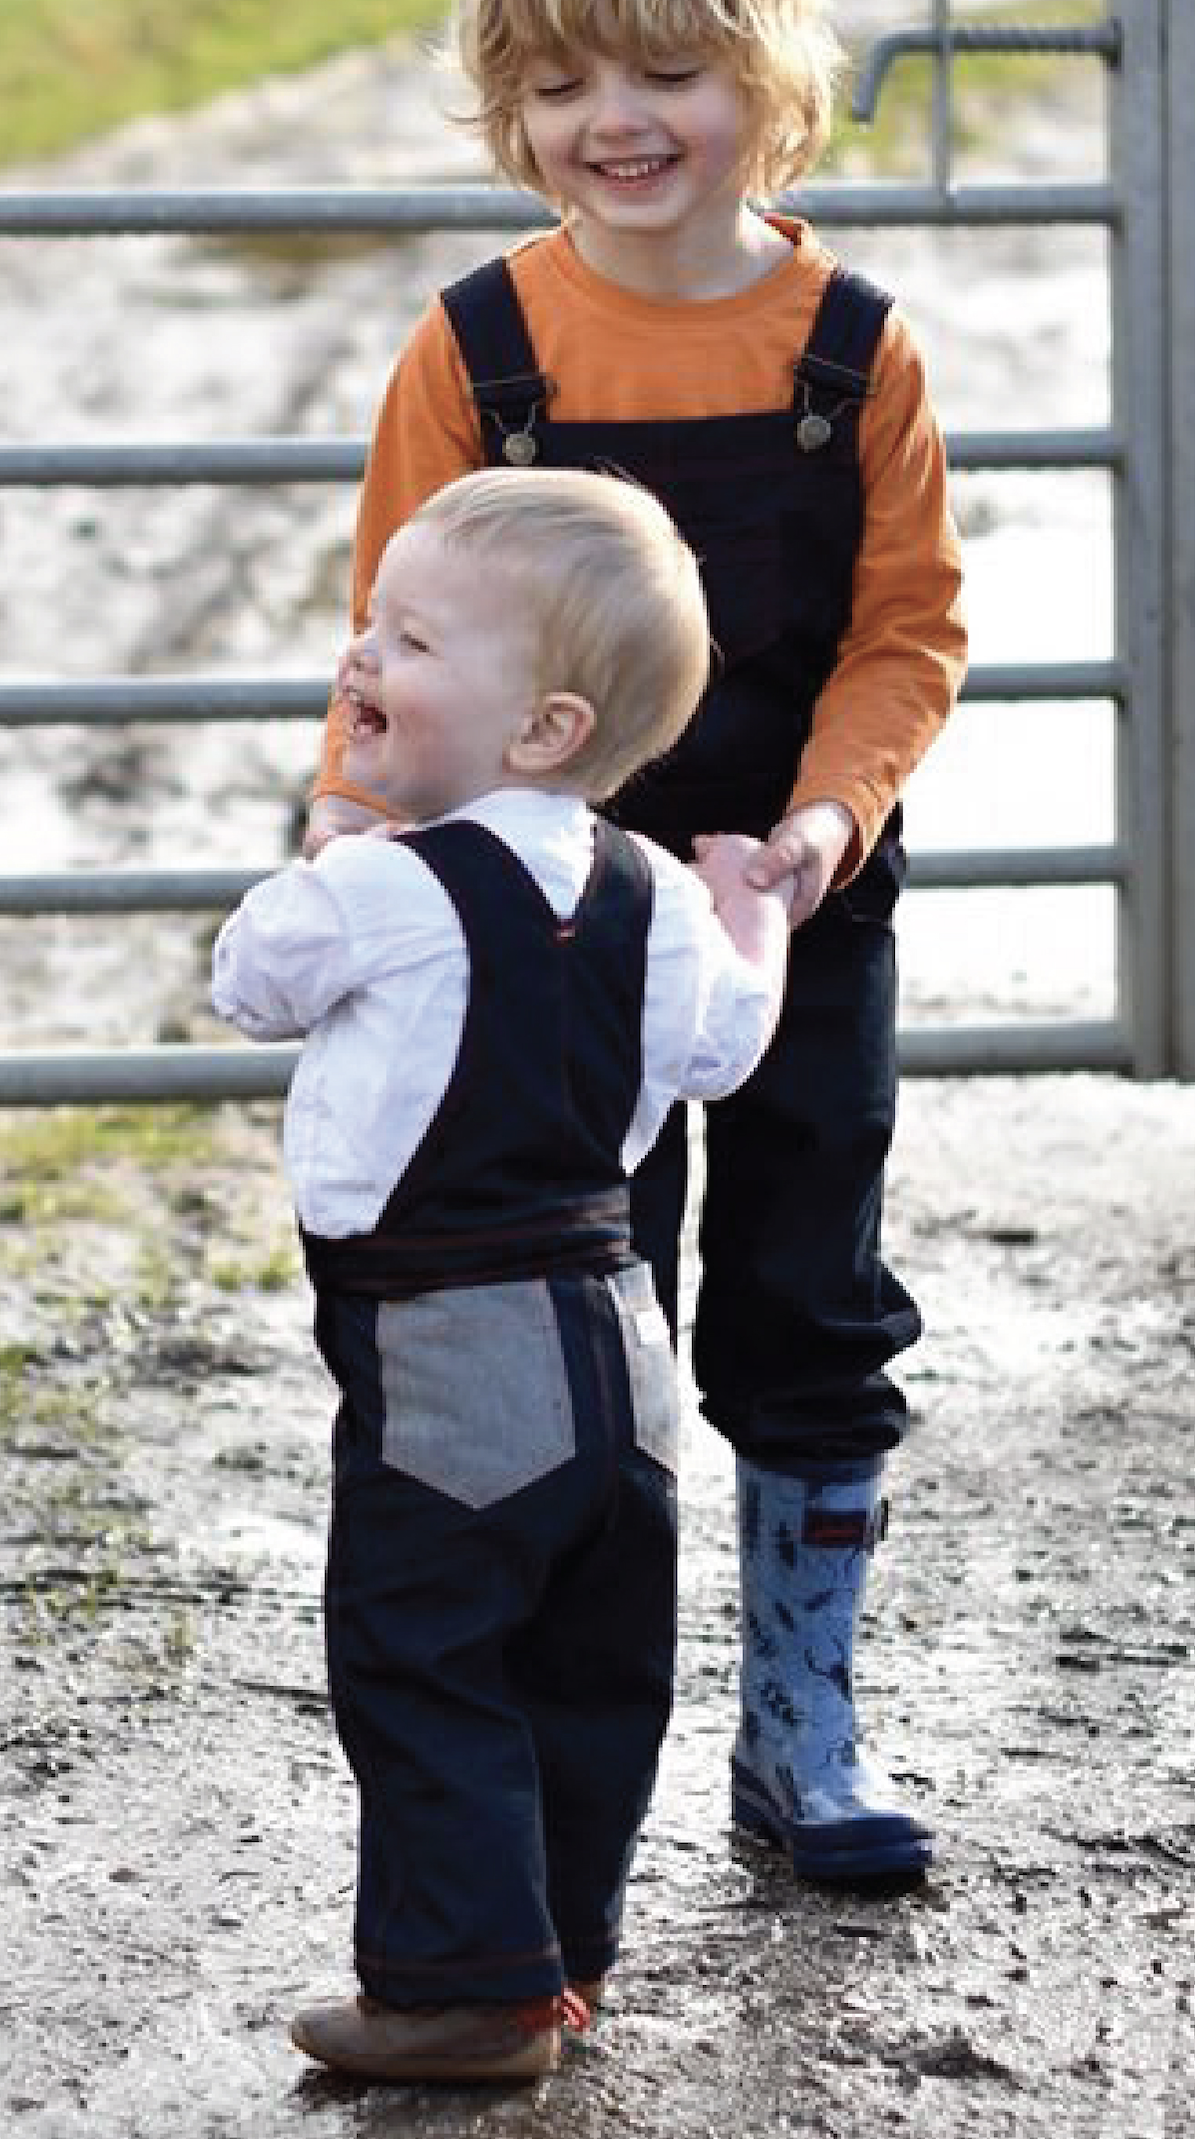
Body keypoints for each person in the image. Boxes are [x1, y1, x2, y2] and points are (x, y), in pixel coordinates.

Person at [303, 0, 968, 1888]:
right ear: (510, 103)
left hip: (789, 912)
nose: (617, 122)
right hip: (532, 940)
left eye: (665, 72)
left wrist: (816, 828)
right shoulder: (478, 355)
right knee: (556, 1314)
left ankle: (801, 1727)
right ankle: (541, 1754)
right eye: (565, 80)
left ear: (766, 81)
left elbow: (902, 630)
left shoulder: (849, 351)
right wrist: (347, 847)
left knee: (798, 1293)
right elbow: (387, 647)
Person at [214, 467, 791, 2083]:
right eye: (367, 624)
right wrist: (763, 917)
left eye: (406, 638)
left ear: (538, 727)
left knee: (424, 1649)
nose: (358, 658)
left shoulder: (390, 884)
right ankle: (559, 1954)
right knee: (590, 1664)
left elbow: (249, 974)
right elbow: (729, 1050)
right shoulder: (661, 895)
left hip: (450, 1339)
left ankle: (466, 1988)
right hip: (623, 1348)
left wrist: (335, 828)